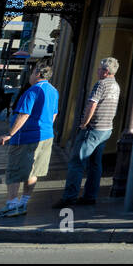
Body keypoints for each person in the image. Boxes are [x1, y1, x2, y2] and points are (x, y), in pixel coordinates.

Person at [0, 64, 59, 219]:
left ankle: (12, 204)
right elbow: (54, 114)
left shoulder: (33, 90)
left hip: (26, 137)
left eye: (32, 72)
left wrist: (9, 134)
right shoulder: (53, 91)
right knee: (34, 170)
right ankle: (23, 202)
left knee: (14, 170)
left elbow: (23, 115)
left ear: (38, 73)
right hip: (46, 135)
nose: (30, 76)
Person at [55, 57, 120, 208]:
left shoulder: (101, 84)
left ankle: (69, 197)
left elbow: (92, 104)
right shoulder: (115, 85)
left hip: (94, 128)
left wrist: (84, 123)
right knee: (95, 164)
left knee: (77, 162)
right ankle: (90, 195)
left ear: (105, 71)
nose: (97, 71)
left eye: (99, 69)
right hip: (106, 128)